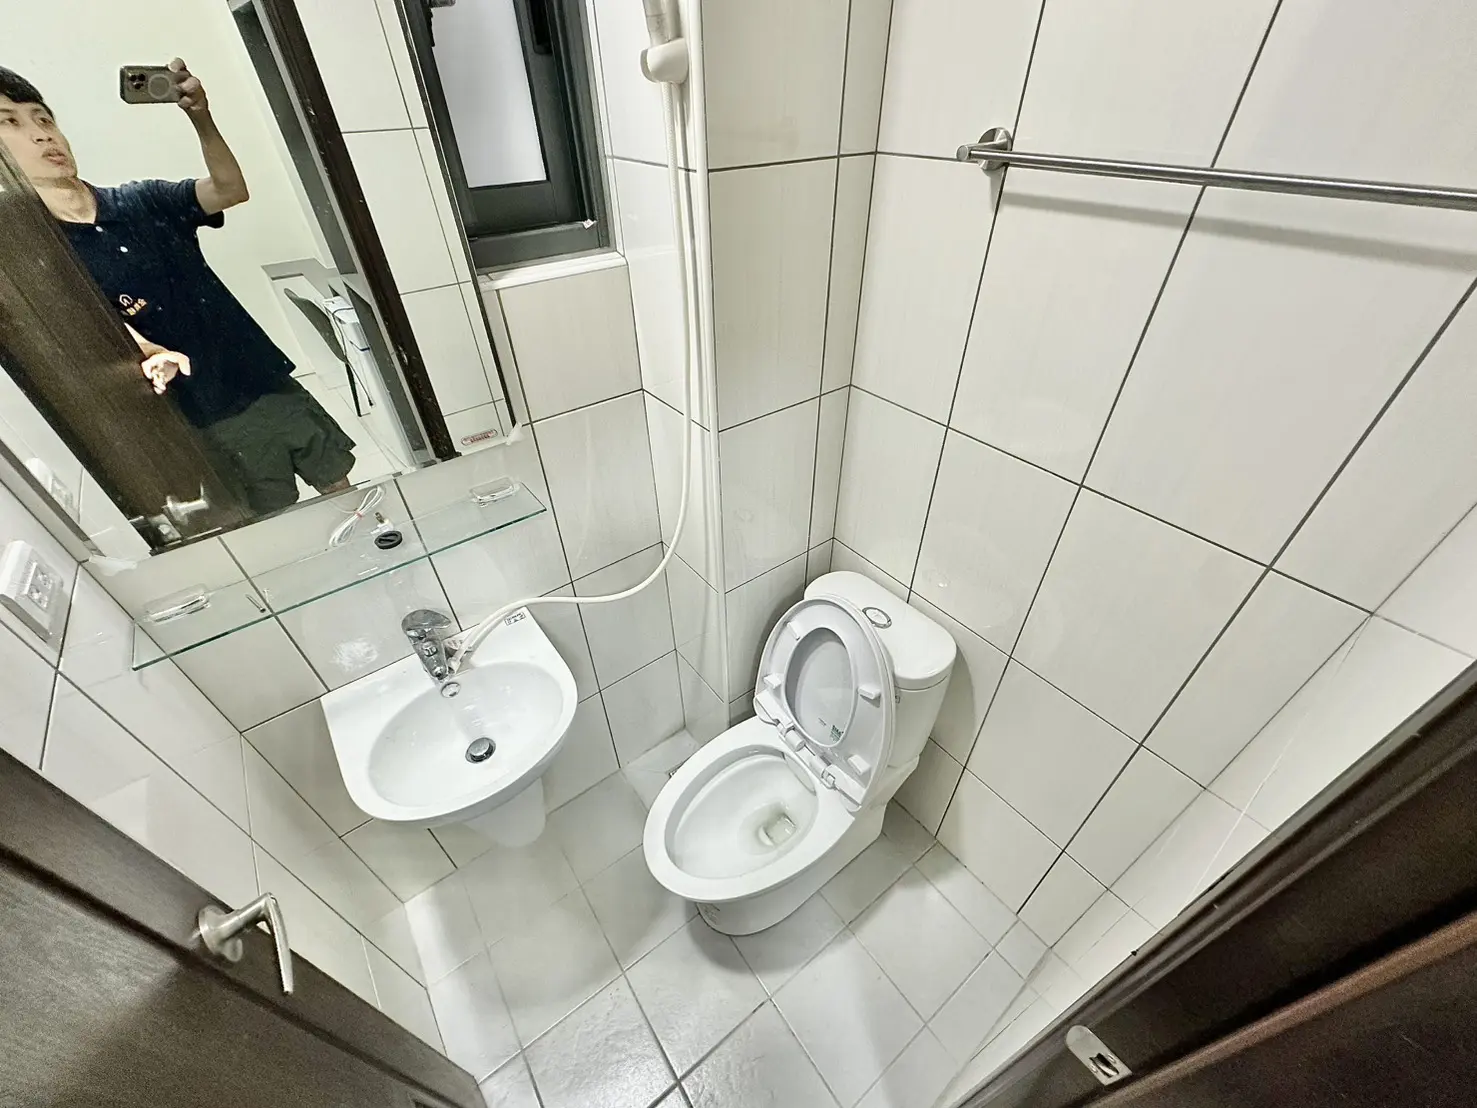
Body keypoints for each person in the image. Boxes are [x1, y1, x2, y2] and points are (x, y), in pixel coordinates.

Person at [0, 60, 357, 514]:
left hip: (261, 375)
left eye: (44, 119)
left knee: (345, 492)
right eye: (11, 123)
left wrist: (200, 116)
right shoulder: (32, 251)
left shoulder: (141, 201)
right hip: (200, 414)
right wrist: (148, 350)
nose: (41, 135)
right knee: (274, 520)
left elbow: (229, 189)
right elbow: (76, 327)